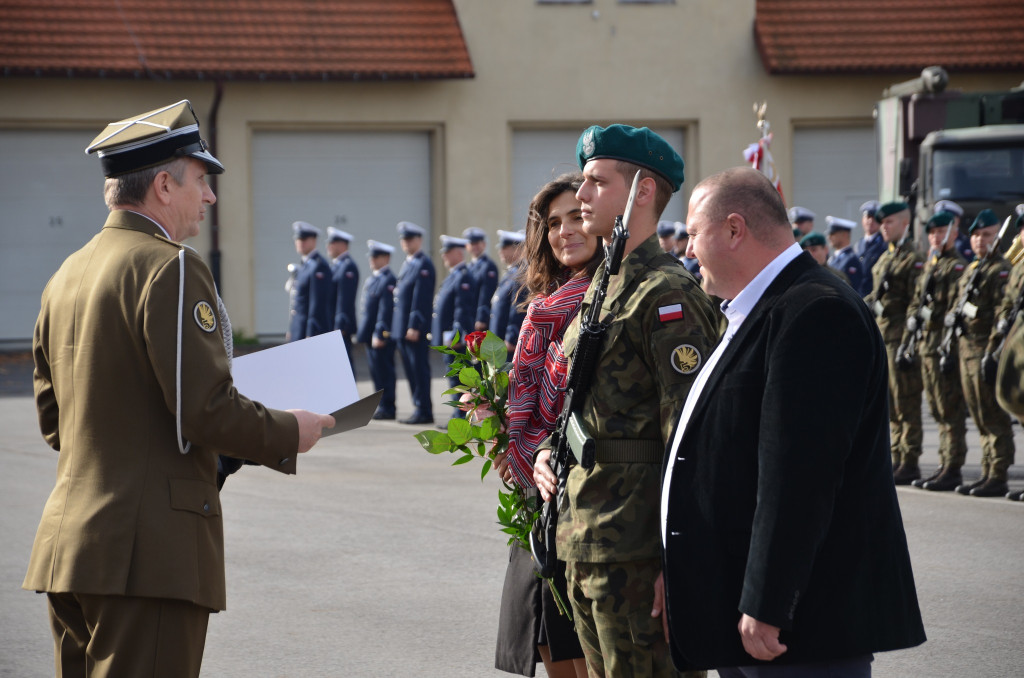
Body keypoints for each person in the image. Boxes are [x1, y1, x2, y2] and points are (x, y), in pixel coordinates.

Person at [23, 100, 335, 678]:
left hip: (70, 549)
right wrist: (292, 429)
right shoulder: (171, 266)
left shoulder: (66, 273)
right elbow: (205, 410)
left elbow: (55, 423)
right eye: (201, 181)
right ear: (163, 185)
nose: (210, 197)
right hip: (147, 558)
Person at [656, 167, 926, 676]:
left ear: (735, 230)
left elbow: (799, 478)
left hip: (796, 632)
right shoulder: (756, 310)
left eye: (693, 234)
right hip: (747, 615)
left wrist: (768, 602)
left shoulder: (814, 312)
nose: (687, 251)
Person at [533, 124, 718, 678]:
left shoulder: (667, 295)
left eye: (596, 182)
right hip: (587, 536)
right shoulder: (604, 285)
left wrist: (677, 561)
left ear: (640, 191)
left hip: (637, 553)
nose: (581, 194)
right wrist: (547, 450)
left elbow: (693, 440)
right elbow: (588, 403)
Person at [494, 172, 598, 678]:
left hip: (583, 495)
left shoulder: (609, 298)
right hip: (536, 498)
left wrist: (540, 446)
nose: (564, 231)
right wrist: (500, 419)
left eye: (576, 216)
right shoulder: (543, 308)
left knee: (579, 647)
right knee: (544, 640)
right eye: (553, 222)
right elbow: (527, 400)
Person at [951, 209, 1015, 497]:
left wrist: (993, 352)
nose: (979, 240)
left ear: (997, 236)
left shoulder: (1000, 270)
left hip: (986, 351)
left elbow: (1003, 313)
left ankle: (999, 473)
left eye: (986, 235)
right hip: (966, 352)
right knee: (977, 415)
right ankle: (987, 469)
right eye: (975, 235)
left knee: (992, 415)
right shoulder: (972, 269)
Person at [904, 211, 969, 492]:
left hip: (944, 348)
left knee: (950, 410)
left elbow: (956, 308)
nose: (936, 237)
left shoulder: (956, 267)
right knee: (937, 410)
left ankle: (953, 467)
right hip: (926, 347)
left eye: (942, 232)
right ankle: (943, 465)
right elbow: (916, 301)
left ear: (954, 234)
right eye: (932, 233)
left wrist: (948, 350)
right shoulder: (931, 265)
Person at [864, 201, 925, 484]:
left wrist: (910, 342)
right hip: (882, 337)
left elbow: (918, 300)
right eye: (882, 223)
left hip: (901, 339)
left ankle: (909, 460)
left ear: (904, 223)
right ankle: (897, 456)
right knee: (889, 403)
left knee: (906, 402)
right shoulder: (885, 258)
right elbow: (876, 298)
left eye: (889, 223)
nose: (883, 227)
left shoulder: (914, 259)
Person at [392, 221, 436, 425]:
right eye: (404, 239)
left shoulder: (423, 264)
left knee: (418, 369)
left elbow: (421, 299)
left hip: (413, 329)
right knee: (410, 370)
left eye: (410, 239)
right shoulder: (409, 263)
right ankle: (418, 406)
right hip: (402, 328)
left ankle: (424, 409)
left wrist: (414, 325)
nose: (406, 243)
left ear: (419, 240)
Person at [432, 235, 478, 422]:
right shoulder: (454, 276)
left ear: (459, 253)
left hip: (455, 339)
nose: (444, 256)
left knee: (459, 380)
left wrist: (457, 336)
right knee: (454, 379)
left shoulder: (463, 276)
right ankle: (459, 416)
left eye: (447, 252)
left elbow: (463, 310)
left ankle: (461, 418)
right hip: (449, 338)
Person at [357, 240, 398, 420]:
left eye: (376, 256)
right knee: (376, 371)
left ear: (386, 258)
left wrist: (380, 332)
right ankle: (382, 405)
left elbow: (385, 309)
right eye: (371, 256)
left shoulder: (388, 279)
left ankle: (388, 406)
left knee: (384, 371)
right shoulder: (373, 279)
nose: (372, 260)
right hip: (369, 334)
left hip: (379, 335)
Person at [287, 220, 332, 341]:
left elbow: (317, 303)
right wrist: (292, 329)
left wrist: (312, 332)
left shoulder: (319, 266)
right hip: (299, 329)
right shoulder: (304, 266)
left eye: (304, 239)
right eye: (298, 239)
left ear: (314, 240)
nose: (300, 243)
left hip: (309, 332)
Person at [490, 229, 528, 355]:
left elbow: (518, 307)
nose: (500, 251)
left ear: (516, 249)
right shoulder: (511, 273)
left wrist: (512, 338)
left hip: (509, 345)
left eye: (504, 247)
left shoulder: (520, 274)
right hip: (500, 342)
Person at [326, 226, 360, 368]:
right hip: (332, 325)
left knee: (343, 365)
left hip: (340, 326)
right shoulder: (336, 266)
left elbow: (344, 299)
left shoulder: (348, 267)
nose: (328, 247)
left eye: (332, 243)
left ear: (342, 245)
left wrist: (339, 325)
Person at [465, 226, 500, 332]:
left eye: (477, 243)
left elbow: (486, 293)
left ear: (483, 245)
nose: (474, 246)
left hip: (479, 320)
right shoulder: (468, 267)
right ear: (467, 246)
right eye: (472, 244)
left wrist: (482, 317)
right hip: (469, 317)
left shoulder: (488, 266)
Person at [825, 216, 868, 293]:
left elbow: (854, 289)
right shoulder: (832, 258)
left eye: (832, 234)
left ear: (845, 235)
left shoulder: (851, 259)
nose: (829, 237)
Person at [854, 200, 886, 283]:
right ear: (862, 220)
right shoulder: (858, 244)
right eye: (868, 217)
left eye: (875, 218)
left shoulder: (884, 244)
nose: (870, 221)